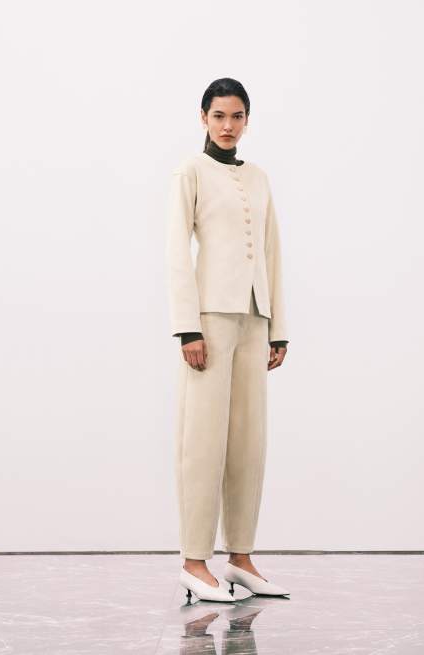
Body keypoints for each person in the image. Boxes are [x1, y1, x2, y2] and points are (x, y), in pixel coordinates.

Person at [165, 77, 290, 602]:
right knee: (203, 440)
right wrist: (188, 327)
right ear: (203, 117)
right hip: (211, 320)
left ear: (247, 120)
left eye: (237, 116)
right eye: (218, 115)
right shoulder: (191, 171)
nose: (228, 125)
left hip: (254, 320)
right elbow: (176, 249)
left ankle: (240, 557)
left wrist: (278, 329)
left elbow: (272, 251)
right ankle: (195, 560)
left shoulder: (258, 178)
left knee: (248, 442)